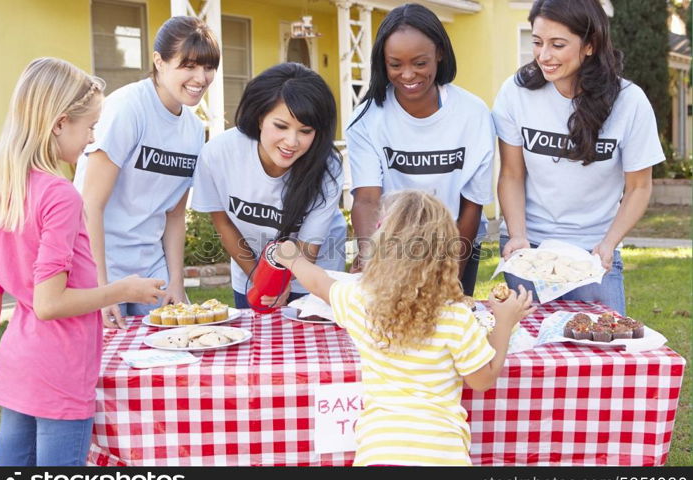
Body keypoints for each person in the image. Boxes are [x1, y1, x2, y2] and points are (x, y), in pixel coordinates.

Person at [272, 190, 534, 466]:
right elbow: (482, 380)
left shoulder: (361, 302)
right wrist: (504, 323)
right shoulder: (456, 317)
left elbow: (319, 282)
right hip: (443, 456)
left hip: (379, 454)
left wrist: (291, 258)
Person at [0, 58, 165, 466]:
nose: (91, 140)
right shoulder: (60, 195)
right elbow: (50, 303)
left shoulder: (3, 188)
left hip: (17, 364)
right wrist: (126, 289)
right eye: (89, 127)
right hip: (61, 370)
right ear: (59, 123)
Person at [493, 0, 664, 315]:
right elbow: (511, 174)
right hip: (529, 248)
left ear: (590, 45)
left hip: (594, 253)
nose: (544, 55)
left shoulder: (629, 102)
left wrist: (609, 244)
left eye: (557, 45)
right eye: (537, 42)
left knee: (605, 355)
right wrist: (517, 236)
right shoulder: (515, 93)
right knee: (529, 355)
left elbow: (639, 187)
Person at [74, 16, 220, 328]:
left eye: (209, 67)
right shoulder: (128, 107)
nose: (201, 77)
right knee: (104, 367)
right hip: (100, 266)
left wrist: (176, 282)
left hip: (152, 269)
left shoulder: (195, 130)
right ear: (159, 61)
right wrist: (102, 289)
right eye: (189, 65)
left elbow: (174, 215)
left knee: (172, 360)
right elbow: (90, 204)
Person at [345, 3, 495, 296]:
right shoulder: (366, 118)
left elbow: (471, 204)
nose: (408, 75)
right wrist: (369, 258)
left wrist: (454, 277)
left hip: (456, 237)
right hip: (394, 242)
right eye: (395, 64)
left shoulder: (473, 113)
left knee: (451, 329)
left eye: (420, 63)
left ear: (439, 53)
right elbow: (366, 199)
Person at [191, 63, 347, 309]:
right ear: (260, 117)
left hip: (313, 276)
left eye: (305, 131)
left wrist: (279, 283)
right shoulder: (219, 154)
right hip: (251, 270)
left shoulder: (328, 166)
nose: (291, 142)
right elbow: (224, 222)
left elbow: (307, 250)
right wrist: (261, 279)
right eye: (281, 126)